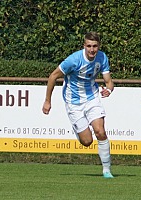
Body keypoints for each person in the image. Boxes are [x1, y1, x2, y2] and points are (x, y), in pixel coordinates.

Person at [42, 32, 114, 178]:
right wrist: (48, 100)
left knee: (100, 131)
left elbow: (108, 81)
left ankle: (106, 170)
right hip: (73, 102)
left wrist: (109, 90)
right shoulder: (74, 60)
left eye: (95, 46)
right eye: (89, 46)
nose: (92, 50)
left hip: (92, 98)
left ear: (98, 46)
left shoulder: (102, 57)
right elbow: (53, 76)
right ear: (84, 46)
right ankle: (79, 129)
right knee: (87, 141)